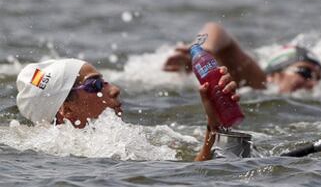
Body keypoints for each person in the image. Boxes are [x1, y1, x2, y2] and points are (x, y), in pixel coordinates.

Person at [15, 58, 240, 161]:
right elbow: (192, 179)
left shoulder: (118, 142)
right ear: (67, 110)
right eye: (95, 85)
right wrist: (214, 123)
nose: (114, 89)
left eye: (104, 81)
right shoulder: (96, 155)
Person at [164, 22, 321, 93]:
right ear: (276, 75)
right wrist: (202, 50)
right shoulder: (257, 80)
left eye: (319, 77)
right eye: (305, 73)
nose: (313, 83)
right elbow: (214, 29)